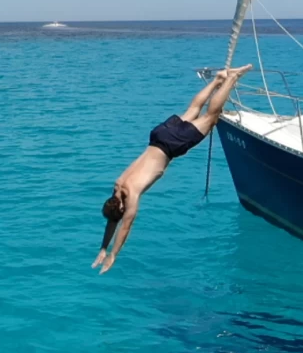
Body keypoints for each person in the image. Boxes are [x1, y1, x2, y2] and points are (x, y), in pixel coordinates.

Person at [92, 64, 253, 274]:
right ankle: (218, 79)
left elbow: (124, 227)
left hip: (171, 146)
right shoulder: (117, 186)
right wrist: (103, 248)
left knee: (210, 117)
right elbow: (113, 221)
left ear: (120, 209)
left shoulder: (131, 196)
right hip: (158, 136)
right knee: (192, 110)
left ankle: (231, 78)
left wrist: (113, 255)